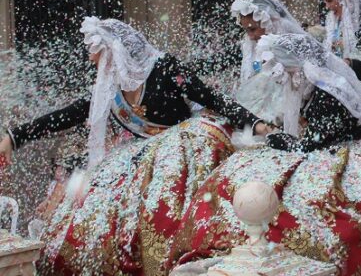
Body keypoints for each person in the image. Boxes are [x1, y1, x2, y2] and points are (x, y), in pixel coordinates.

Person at [0, 17, 265, 275]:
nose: (94, 62)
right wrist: (16, 137)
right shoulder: (110, 87)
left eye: (99, 56)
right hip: (142, 156)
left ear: (118, 52)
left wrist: (254, 123)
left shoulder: (164, 67)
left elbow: (209, 97)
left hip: (184, 150)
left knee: (164, 203)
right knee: (101, 201)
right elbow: (68, 114)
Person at [168, 33, 361, 276]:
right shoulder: (314, 88)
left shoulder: (329, 94)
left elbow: (312, 143)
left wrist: (279, 139)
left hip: (341, 157)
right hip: (321, 150)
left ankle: (268, 238)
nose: (282, 79)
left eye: (286, 71)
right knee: (239, 170)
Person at [229, 0, 305, 130]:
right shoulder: (250, 45)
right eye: (246, 30)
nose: (250, 36)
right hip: (258, 118)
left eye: (253, 29)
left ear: (268, 23)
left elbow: (296, 88)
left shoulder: (286, 44)